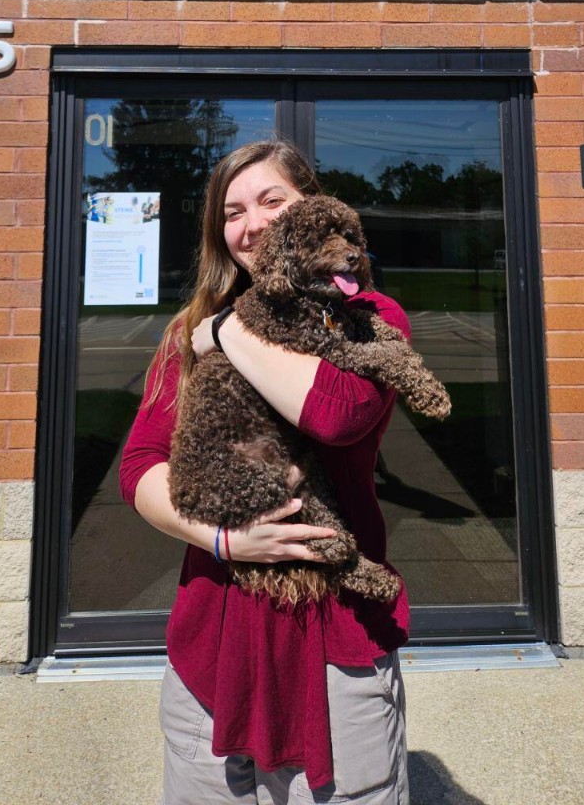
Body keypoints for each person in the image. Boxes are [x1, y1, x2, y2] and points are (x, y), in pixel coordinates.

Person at [119, 139, 410, 805]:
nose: (251, 224)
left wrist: (226, 335)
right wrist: (225, 541)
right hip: (215, 641)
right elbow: (139, 467)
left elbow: (336, 416)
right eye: (232, 211)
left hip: (336, 636)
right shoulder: (186, 331)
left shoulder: (370, 321)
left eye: (272, 201)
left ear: (313, 205)